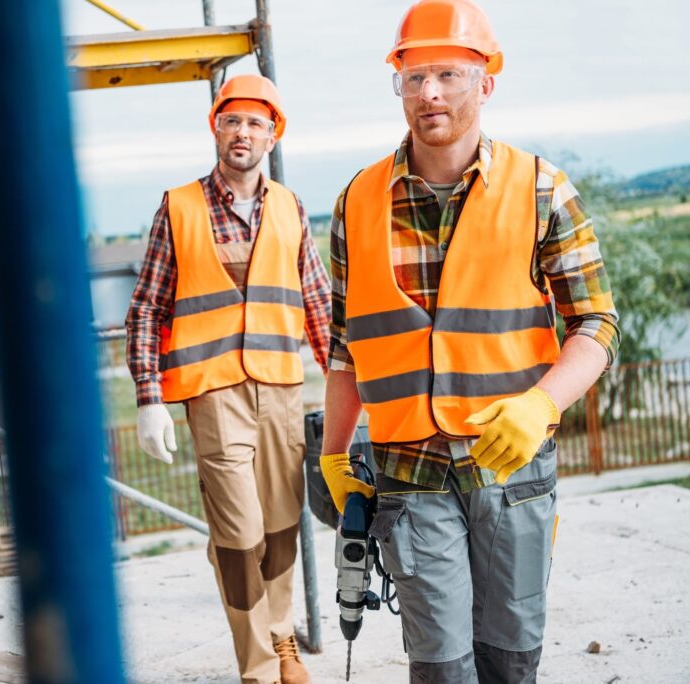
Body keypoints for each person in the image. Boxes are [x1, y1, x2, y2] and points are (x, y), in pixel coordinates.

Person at [319, 1, 621, 682]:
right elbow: (346, 345)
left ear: (486, 83)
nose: (430, 92)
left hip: (511, 472)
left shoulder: (542, 188)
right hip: (407, 472)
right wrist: (334, 455)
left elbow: (597, 324)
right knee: (440, 667)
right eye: (413, 75)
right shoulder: (357, 202)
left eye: (449, 74)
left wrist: (541, 404)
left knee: (511, 660)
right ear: (397, 84)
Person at [125, 74, 330, 684]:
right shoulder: (179, 206)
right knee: (239, 535)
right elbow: (147, 309)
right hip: (214, 393)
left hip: (283, 389)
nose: (242, 132)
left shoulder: (290, 208)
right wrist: (148, 398)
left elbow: (319, 304)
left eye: (255, 123)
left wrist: (351, 385)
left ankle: (281, 634)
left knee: (281, 528)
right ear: (216, 127)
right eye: (231, 120)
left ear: (273, 134)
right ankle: (260, 666)